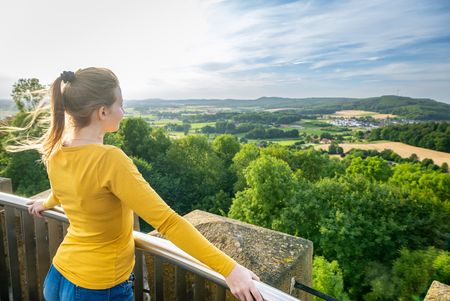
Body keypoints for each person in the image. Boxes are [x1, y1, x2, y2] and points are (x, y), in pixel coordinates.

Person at [24, 67, 263, 301]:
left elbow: (66, 190)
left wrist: (45, 203)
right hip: (98, 287)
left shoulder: (56, 152)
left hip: (58, 277)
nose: (123, 112)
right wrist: (230, 270)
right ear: (103, 112)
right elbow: (168, 222)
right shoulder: (109, 159)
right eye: (120, 105)